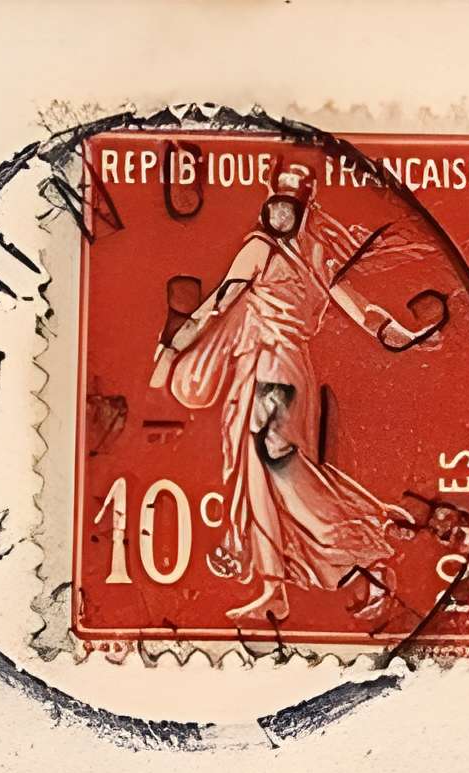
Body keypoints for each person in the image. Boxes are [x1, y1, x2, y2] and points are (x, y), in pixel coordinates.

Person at [148, 161, 443, 629]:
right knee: (262, 476)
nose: (281, 214)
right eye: (277, 205)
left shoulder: (280, 251)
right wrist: (399, 333)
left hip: (274, 369)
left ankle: (357, 549)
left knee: (277, 468)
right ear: (271, 204)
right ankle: (275, 589)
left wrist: (168, 355)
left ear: (303, 209)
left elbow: (216, 307)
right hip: (276, 370)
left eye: (290, 206)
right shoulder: (288, 251)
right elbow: (220, 305)